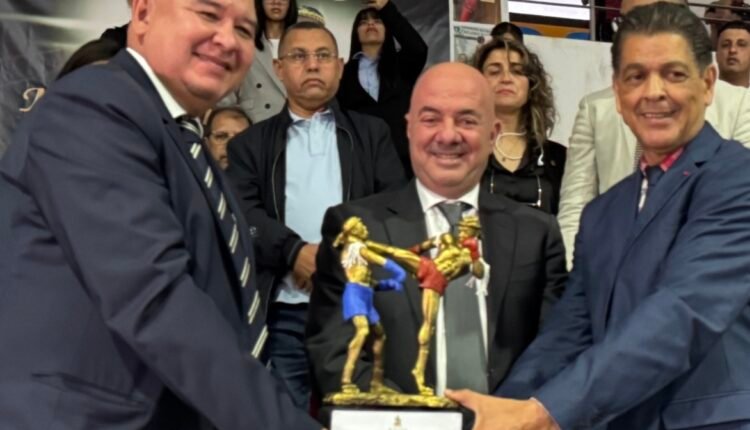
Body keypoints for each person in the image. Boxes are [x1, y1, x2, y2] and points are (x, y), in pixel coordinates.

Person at [0, 0, 322, 428]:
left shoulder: (188, 147)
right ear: (144, 11)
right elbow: (156, 298)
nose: (228, 39)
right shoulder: (95, 103)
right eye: (208, 14)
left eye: (245, 31)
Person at [447, 3, 750, 429]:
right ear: (618, 93)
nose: (654, 92)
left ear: (708, 83)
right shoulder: (602, 213)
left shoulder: (737, 177)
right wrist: (502, 409)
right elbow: (569, 333)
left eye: (674, 74)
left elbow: (683, 311)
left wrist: (543, 411)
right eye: (636, 76)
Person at [307, 63, 567, 404]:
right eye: (431, 119)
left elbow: (556, 349)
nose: (448, 135)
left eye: (467, 121)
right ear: (409, 128)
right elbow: (335, 353)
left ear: (493, 134)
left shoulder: (537, 233)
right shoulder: (355, 226)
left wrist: (502, 419)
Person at [226, 21, 406, 409]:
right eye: (299, 56)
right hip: (284, 313)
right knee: (283, 416)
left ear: (340, 67)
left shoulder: (372, 134)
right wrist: (293, 252)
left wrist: (338, 258)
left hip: (357, 307)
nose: (312, 65)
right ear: (279, 69)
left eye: (323, 56)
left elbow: (394, 208)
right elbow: (242, 214)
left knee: (356, 416)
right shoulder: (249, 145)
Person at [556, 0, 750, 268]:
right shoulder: (595, 109)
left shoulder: (739, 104)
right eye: (627, 21)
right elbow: (575, 207)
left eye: (652, 16)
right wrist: (574, 273)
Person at [336, 0, 428, 177]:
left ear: (387, 29)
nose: (370, 24)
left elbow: (418, 48)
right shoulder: (342, 73)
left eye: (377, 21)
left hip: (403, 163)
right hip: (359, 164)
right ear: (356, 32)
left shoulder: (401, 67)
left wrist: (386, 8)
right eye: (363, 22)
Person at [475, 38, 565, 215]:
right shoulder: (463, 151)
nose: (506, 79)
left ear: (531, 85)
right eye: (494, 72)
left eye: (517, 71)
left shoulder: (558, 157)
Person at [223, 0, 298, 123]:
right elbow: (226, 98)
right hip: (255, 124)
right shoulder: (243, 44)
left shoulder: (301, 45)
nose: (276, 2)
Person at [717, 20, 750, 87]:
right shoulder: (700, 91)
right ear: (716, 54)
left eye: (741, 44)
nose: (732, 50)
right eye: (725, 45)